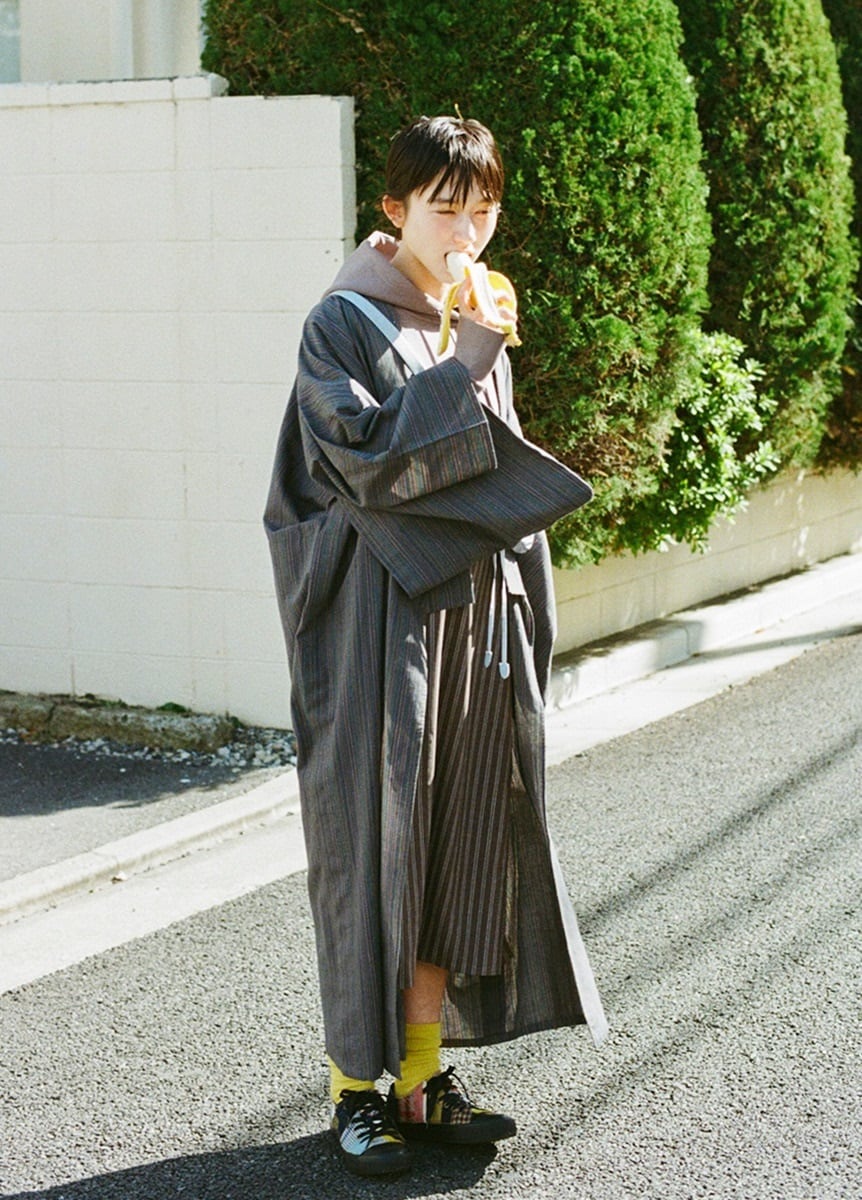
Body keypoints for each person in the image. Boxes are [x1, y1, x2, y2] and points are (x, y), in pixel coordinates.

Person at [264, 114, 607, 1179]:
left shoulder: (477, 313)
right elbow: (364, 459)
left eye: (483, 209)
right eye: (446, 208)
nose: (467, 230)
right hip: (377, 622)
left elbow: (490, 473)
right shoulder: (343, 321)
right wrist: (465, 362)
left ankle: (421, 1074)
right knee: (372, 844)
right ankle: (354, 1090)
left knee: (456, 837)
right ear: (395, 209)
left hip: (468, 619)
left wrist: (523, 601)